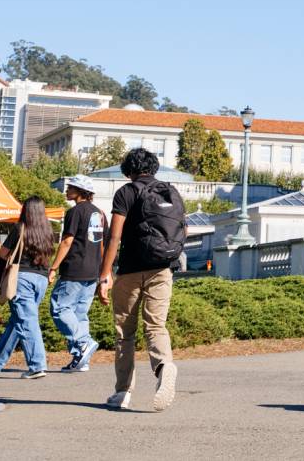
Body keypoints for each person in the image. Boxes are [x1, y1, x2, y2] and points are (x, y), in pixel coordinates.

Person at [98, 147, 186, 412]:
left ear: (129, 169)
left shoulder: (126, 192)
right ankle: (163, 367)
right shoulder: (171, 192)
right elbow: (183, 228)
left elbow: (114, 236)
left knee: (125, 332)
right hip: (163, 268)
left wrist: (105, 274)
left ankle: (123, 392)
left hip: (131, 270)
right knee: (156, 326)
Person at [0, 197, 54, 379]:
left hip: (21, 278)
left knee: (26, 321)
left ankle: (37, 365)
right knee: (19, 320)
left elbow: (4, 253)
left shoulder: (20, 228)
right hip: (42, 278)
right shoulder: (48, 229)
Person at [50, 175, 106, 372]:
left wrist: (53, 267)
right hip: (92, 270)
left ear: (80, 191)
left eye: (70, 187)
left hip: (74, 268)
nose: (66, 190)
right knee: (80, 315)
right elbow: (101, 244)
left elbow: (67, 241)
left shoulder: (75, 212)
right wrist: (104, 273)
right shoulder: (99, 213)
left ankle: (83, 342)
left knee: (59, 308)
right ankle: (81, 359)